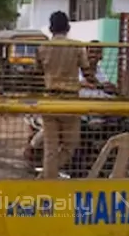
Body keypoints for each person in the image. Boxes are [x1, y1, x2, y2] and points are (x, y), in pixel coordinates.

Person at [37, 12, 106, 179]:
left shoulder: (41, 47)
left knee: (50, 148)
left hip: (49, 100)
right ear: (68, 27)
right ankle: (46, 177)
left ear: (51, 27)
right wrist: (101, 85)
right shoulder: (77, 46)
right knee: (70, 145)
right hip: (70, 101)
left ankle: (46, 179)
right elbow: (87, 73)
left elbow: (38, 72)